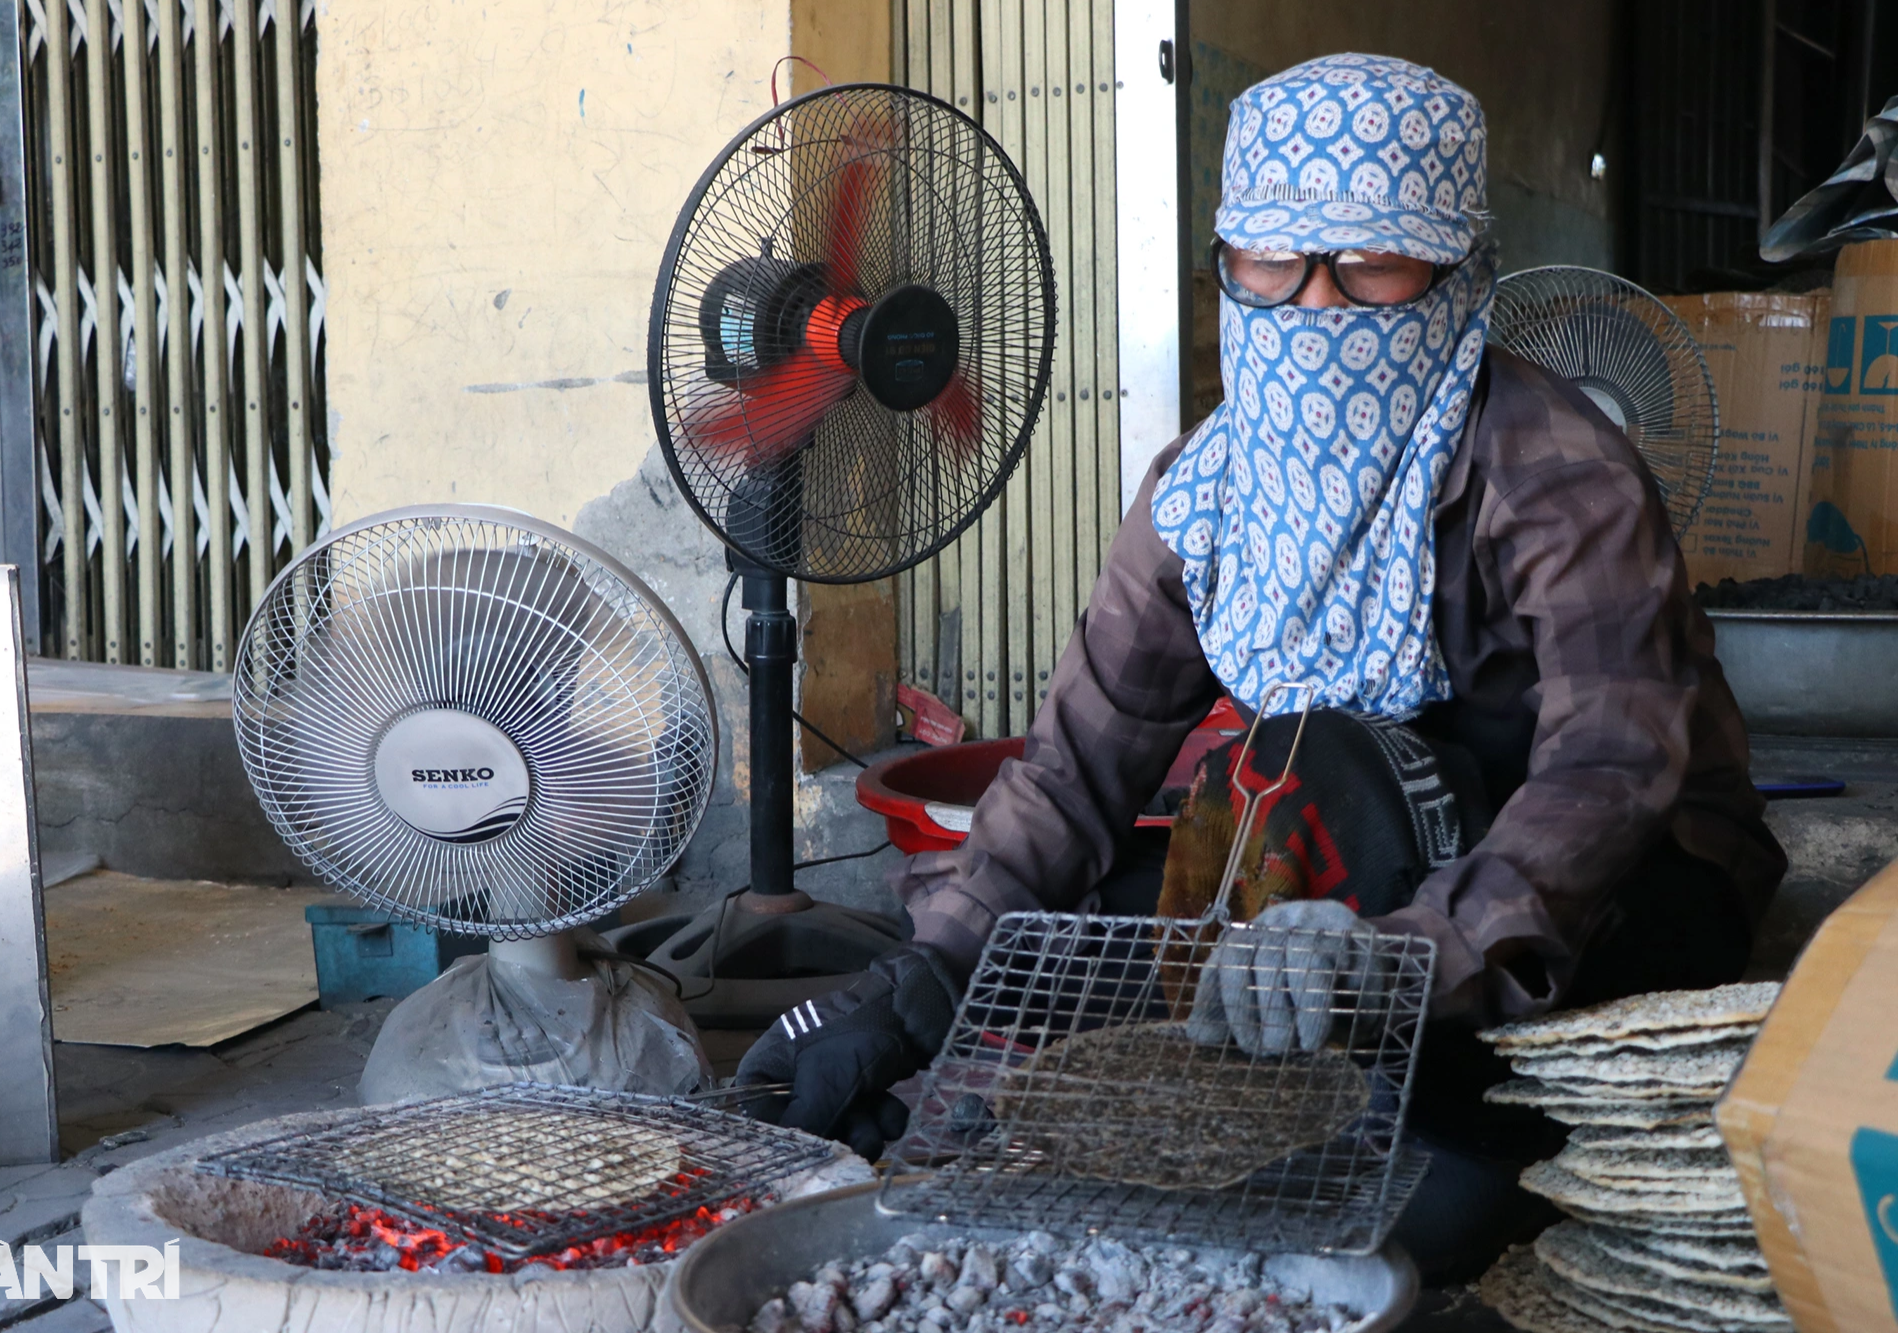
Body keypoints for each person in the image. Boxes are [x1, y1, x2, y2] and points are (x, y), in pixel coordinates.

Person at [738, 53, 1786, 1281]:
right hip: (1368, 841)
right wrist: (924, 981)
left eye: (1373, 264)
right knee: (1088, 942)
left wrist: (1398, 959)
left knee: (1428, 1183)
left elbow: (1607, 772)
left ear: (1458, 274)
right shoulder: (1207, 492)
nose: (1318, 307)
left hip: (1604, 881)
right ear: (1226, 266)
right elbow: (1078, 762)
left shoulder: (1555, 474)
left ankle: (1429, 1114)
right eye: (1273, 263)